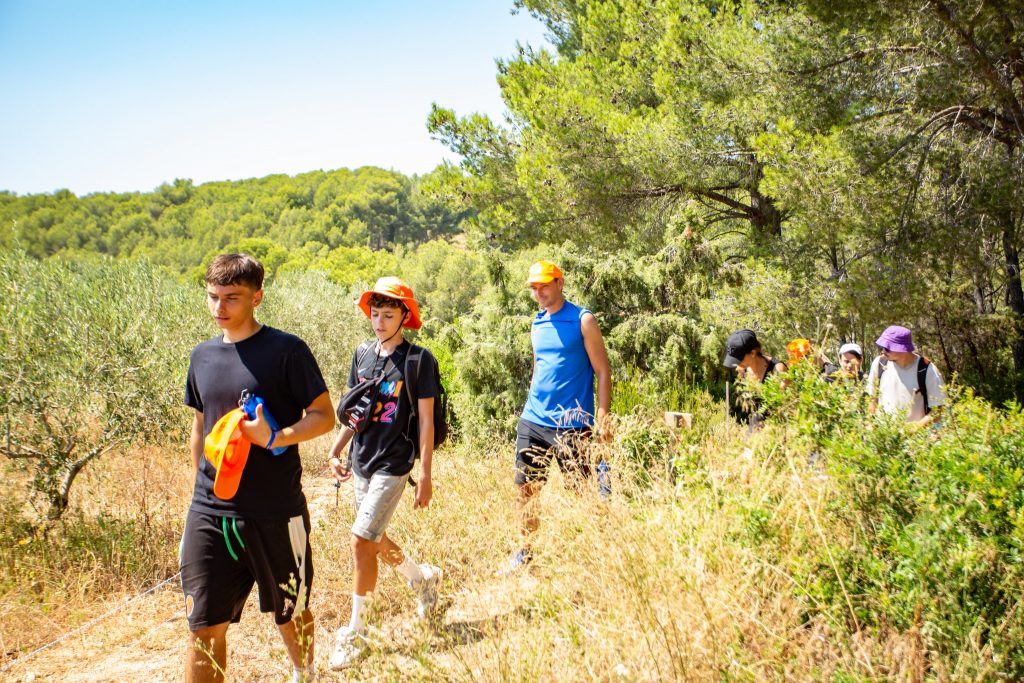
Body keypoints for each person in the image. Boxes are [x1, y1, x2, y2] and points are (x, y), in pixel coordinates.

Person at [181, 254, 335, 683]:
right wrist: (199, 496)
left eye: (231, 298)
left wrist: (276, 437)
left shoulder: (287, 350)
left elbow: (325, 416)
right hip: (211, 514)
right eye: (212, 297)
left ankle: (305, 675)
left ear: (257, 298)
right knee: (202, 627)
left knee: (291, 612)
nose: (219, 308)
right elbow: (200, 428)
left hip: (275, 512)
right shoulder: (201, 356)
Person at [327, 277, 442, 670]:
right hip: (362, 458)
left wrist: (425, 473)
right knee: (373, 539)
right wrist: (337, 448)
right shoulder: (362, 354)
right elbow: (355, 410)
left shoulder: (418, 360)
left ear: (404, 317)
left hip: (395, 462)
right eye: (375, 314)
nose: (378, 321)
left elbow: (426, 421)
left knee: (360, 539)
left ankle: (357, 633)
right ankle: (421, 578)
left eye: (388, 314)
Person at [501, 260, 612, 575]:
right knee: (526, 491)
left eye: (544, 286)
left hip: (573, 424)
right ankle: (525, 553)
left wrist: (602, 418)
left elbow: (603, 371)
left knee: (582, 491)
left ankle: (595, 555)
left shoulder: (582, 320)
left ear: (560, 282)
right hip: (534, 420)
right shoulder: (536, 322)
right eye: (534, 288)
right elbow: (539, 367)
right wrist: (530, 403)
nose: (539, 293)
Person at [866, 325, 945, 426]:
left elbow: (938, 410)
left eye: (887, 348)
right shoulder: (879, 364)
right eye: (882, 347)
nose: (883, 351)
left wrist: (913, 429)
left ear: (903, 349)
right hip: (883, 436)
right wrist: (869, 425)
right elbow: (873, 399)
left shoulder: (927, 370)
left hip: (917, 438)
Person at [723, 329, 788, 430]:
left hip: (779, 424)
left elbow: (782, 407)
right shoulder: (743, 370)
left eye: (739, 359)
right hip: (757, 422)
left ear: (753, 353)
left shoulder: (777, 370)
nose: (736, 364)